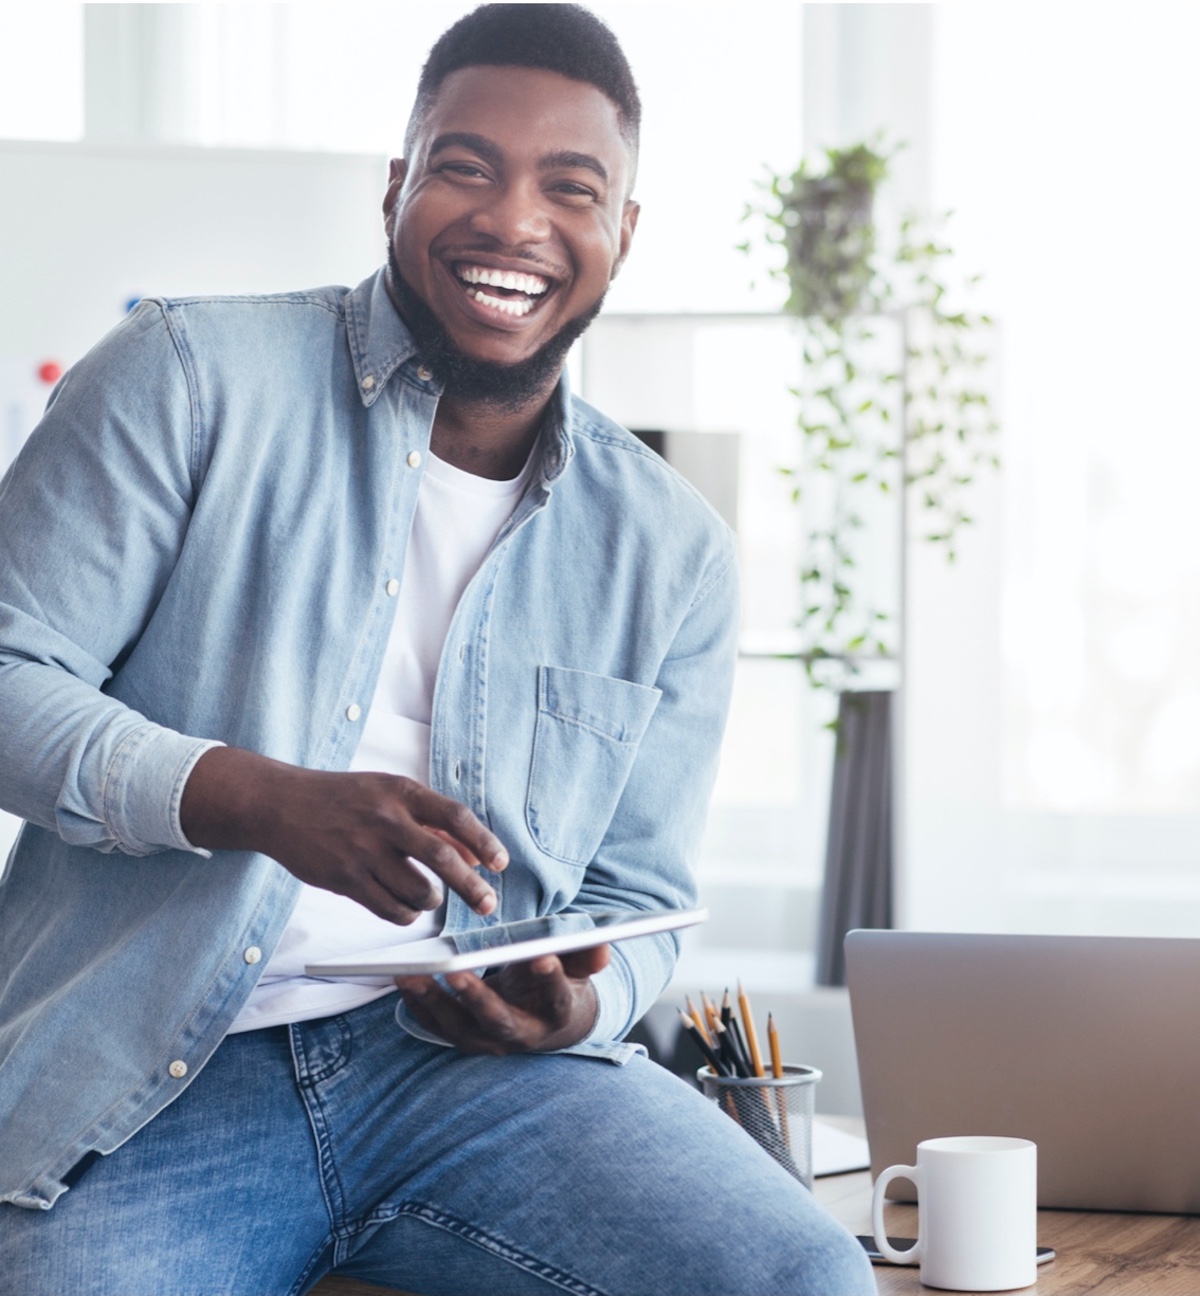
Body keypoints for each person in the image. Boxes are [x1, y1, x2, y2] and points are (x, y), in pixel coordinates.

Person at [0, 5, 876, 1293]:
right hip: (156, 1075)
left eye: (569, 188)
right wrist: (261, 800)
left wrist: (578, 1003)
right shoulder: (186, 377)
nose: (514, 221)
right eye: (466, 165)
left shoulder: (670, 551)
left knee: (802, 1278)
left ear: (621, 236)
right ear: (396, 189)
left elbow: (639, 899)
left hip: (472, 1083)